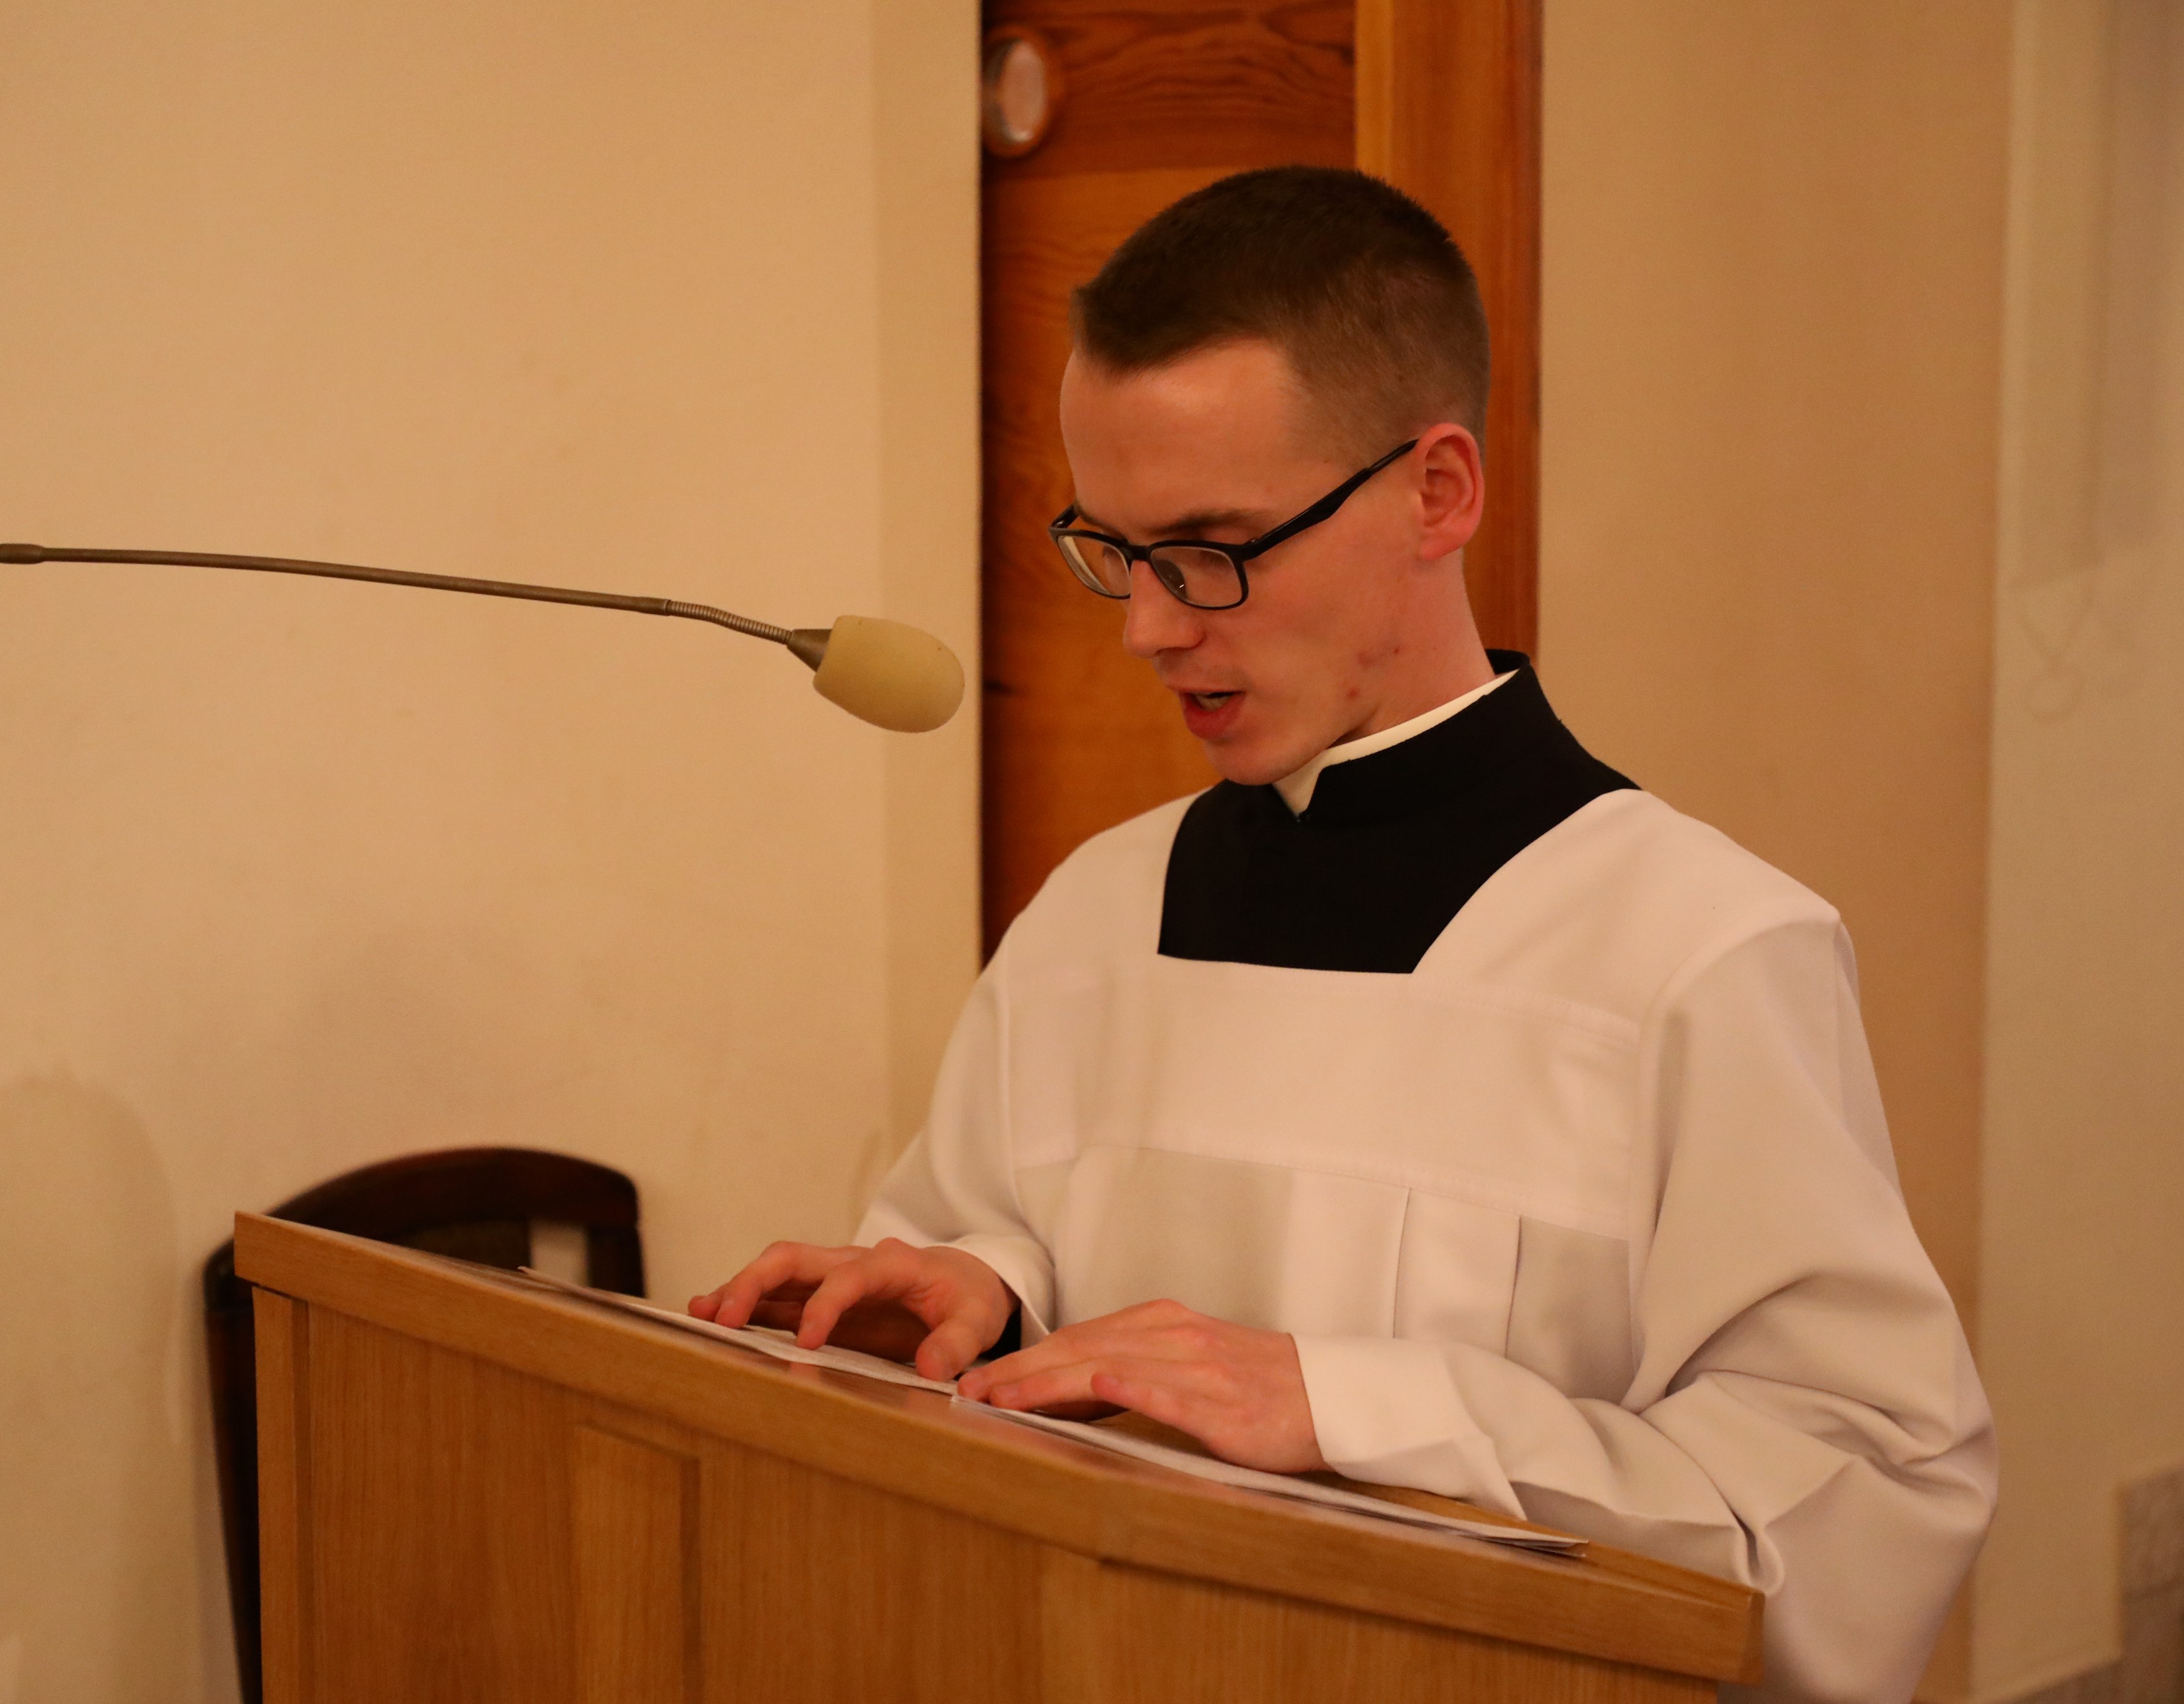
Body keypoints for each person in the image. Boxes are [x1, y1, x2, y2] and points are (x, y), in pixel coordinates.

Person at [691, 166, 1994, 1704]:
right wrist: (982, 1293)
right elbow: (997, 1222)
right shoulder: (1093, 911)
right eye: (1114, 551)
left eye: (1212, 547)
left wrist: (1350, 1404)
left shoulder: (1699, 949)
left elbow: (1851, 1502)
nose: (1149, 626)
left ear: (1435, 492)